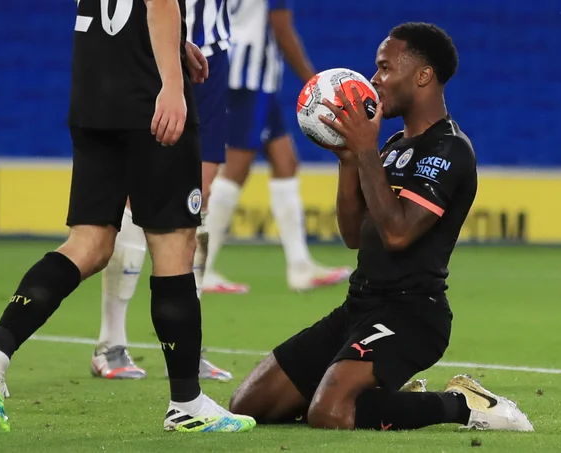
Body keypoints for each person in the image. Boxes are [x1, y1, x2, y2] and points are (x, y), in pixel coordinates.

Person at [0, 0, 255, 434]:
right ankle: (187, 402)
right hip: (145, 98)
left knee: (89, 244)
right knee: (174, 246)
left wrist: (173, 43)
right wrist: (171, 81)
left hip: (94, 93)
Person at [228, 22, 534, 432]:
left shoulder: (450, 149)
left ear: (423, 76)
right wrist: (348, 161)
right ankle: (382, 401)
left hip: (412, 314)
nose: (374, 79)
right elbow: (355, 235)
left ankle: (461, 404)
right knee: (248, 404)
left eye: (385, 68)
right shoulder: (390, 147)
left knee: (330, 413)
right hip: (359, 306)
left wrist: (365, 150)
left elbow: (398, 233)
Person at [89, 0, 235, 382]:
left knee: (196, 200)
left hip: (213, 49)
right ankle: (111, 342)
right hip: (151, 45)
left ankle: (190, 346)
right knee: (138, 193)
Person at [201, 0, 352, 294]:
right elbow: (281, 26)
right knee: (236, 168)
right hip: (249, 75)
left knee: (285, 162)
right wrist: (316, 83)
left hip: (243, 69)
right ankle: (200, 267)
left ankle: (299, 265)